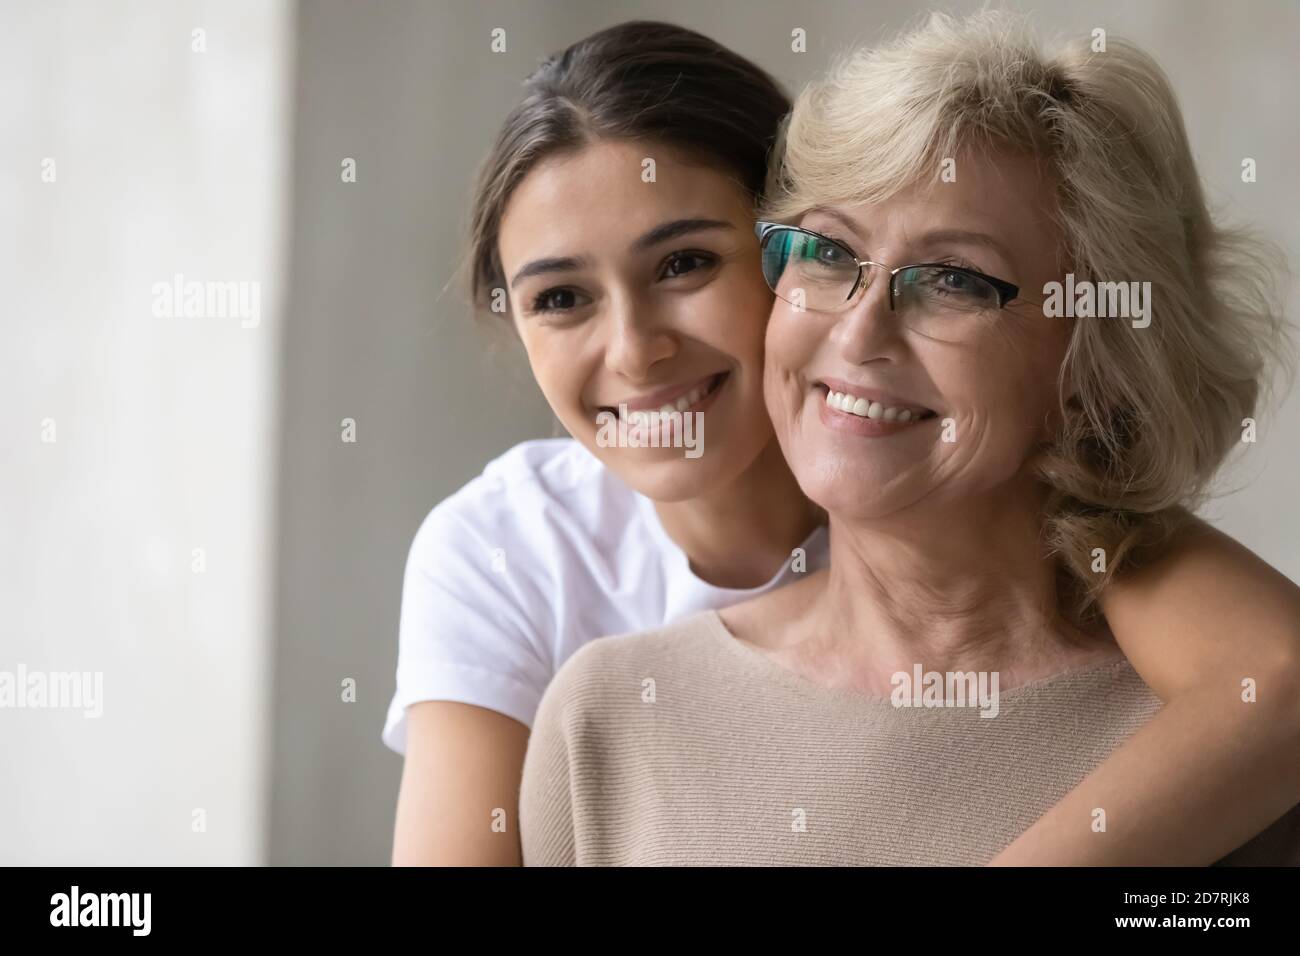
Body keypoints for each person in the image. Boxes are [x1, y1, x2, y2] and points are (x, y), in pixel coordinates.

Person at [392, 18, 1300, 866]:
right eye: (828, 254)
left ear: (1096, 365)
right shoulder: (586, 687)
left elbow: (1277, 673)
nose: (860, 335)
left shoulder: (1215, 744)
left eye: (953, 279)